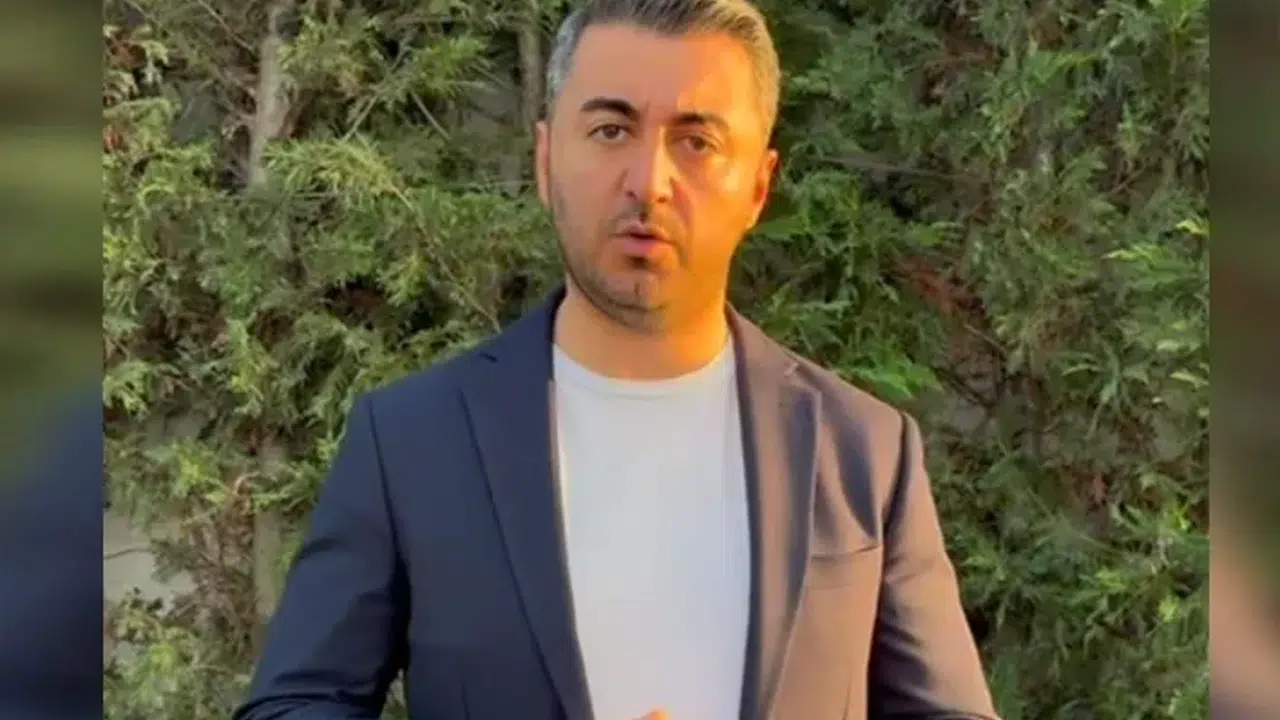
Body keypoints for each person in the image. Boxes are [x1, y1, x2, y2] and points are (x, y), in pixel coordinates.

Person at [236, 1, 999, 718]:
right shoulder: (411, 442)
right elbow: (293, 703)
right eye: (610, 130)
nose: (649, 183)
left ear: (758, 188)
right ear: (546, 159)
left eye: (697, 142)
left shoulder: (864, 453)